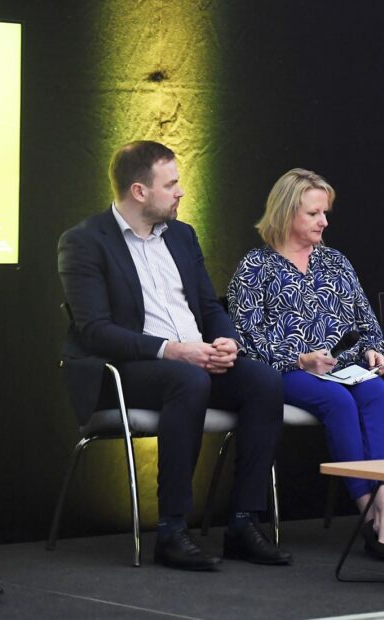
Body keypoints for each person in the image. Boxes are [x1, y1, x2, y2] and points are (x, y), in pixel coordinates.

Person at [57, 141, 291, 570]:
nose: (181, 191)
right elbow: (95, 331)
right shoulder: (84, 242)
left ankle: (243, 521)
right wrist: (173, 351)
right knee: (188, 379)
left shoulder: (182, 236)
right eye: (172, 184)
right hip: (126, 370)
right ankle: (172, 529)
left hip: (194, 360)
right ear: (139, 191)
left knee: (262, 380)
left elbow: (209, 307)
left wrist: (226, 341)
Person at [228, 168, 384, 561]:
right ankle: (370, 517)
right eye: (314, 214)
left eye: (324, 213)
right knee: (339, 403)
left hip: (346, 367)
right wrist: (300, 359)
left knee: (378, 394)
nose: (324, 222)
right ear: (286, 212)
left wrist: (375, 350)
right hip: (289, 372)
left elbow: (367, 324)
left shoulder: (335, 262)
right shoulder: (254, 267)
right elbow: (246, 341)